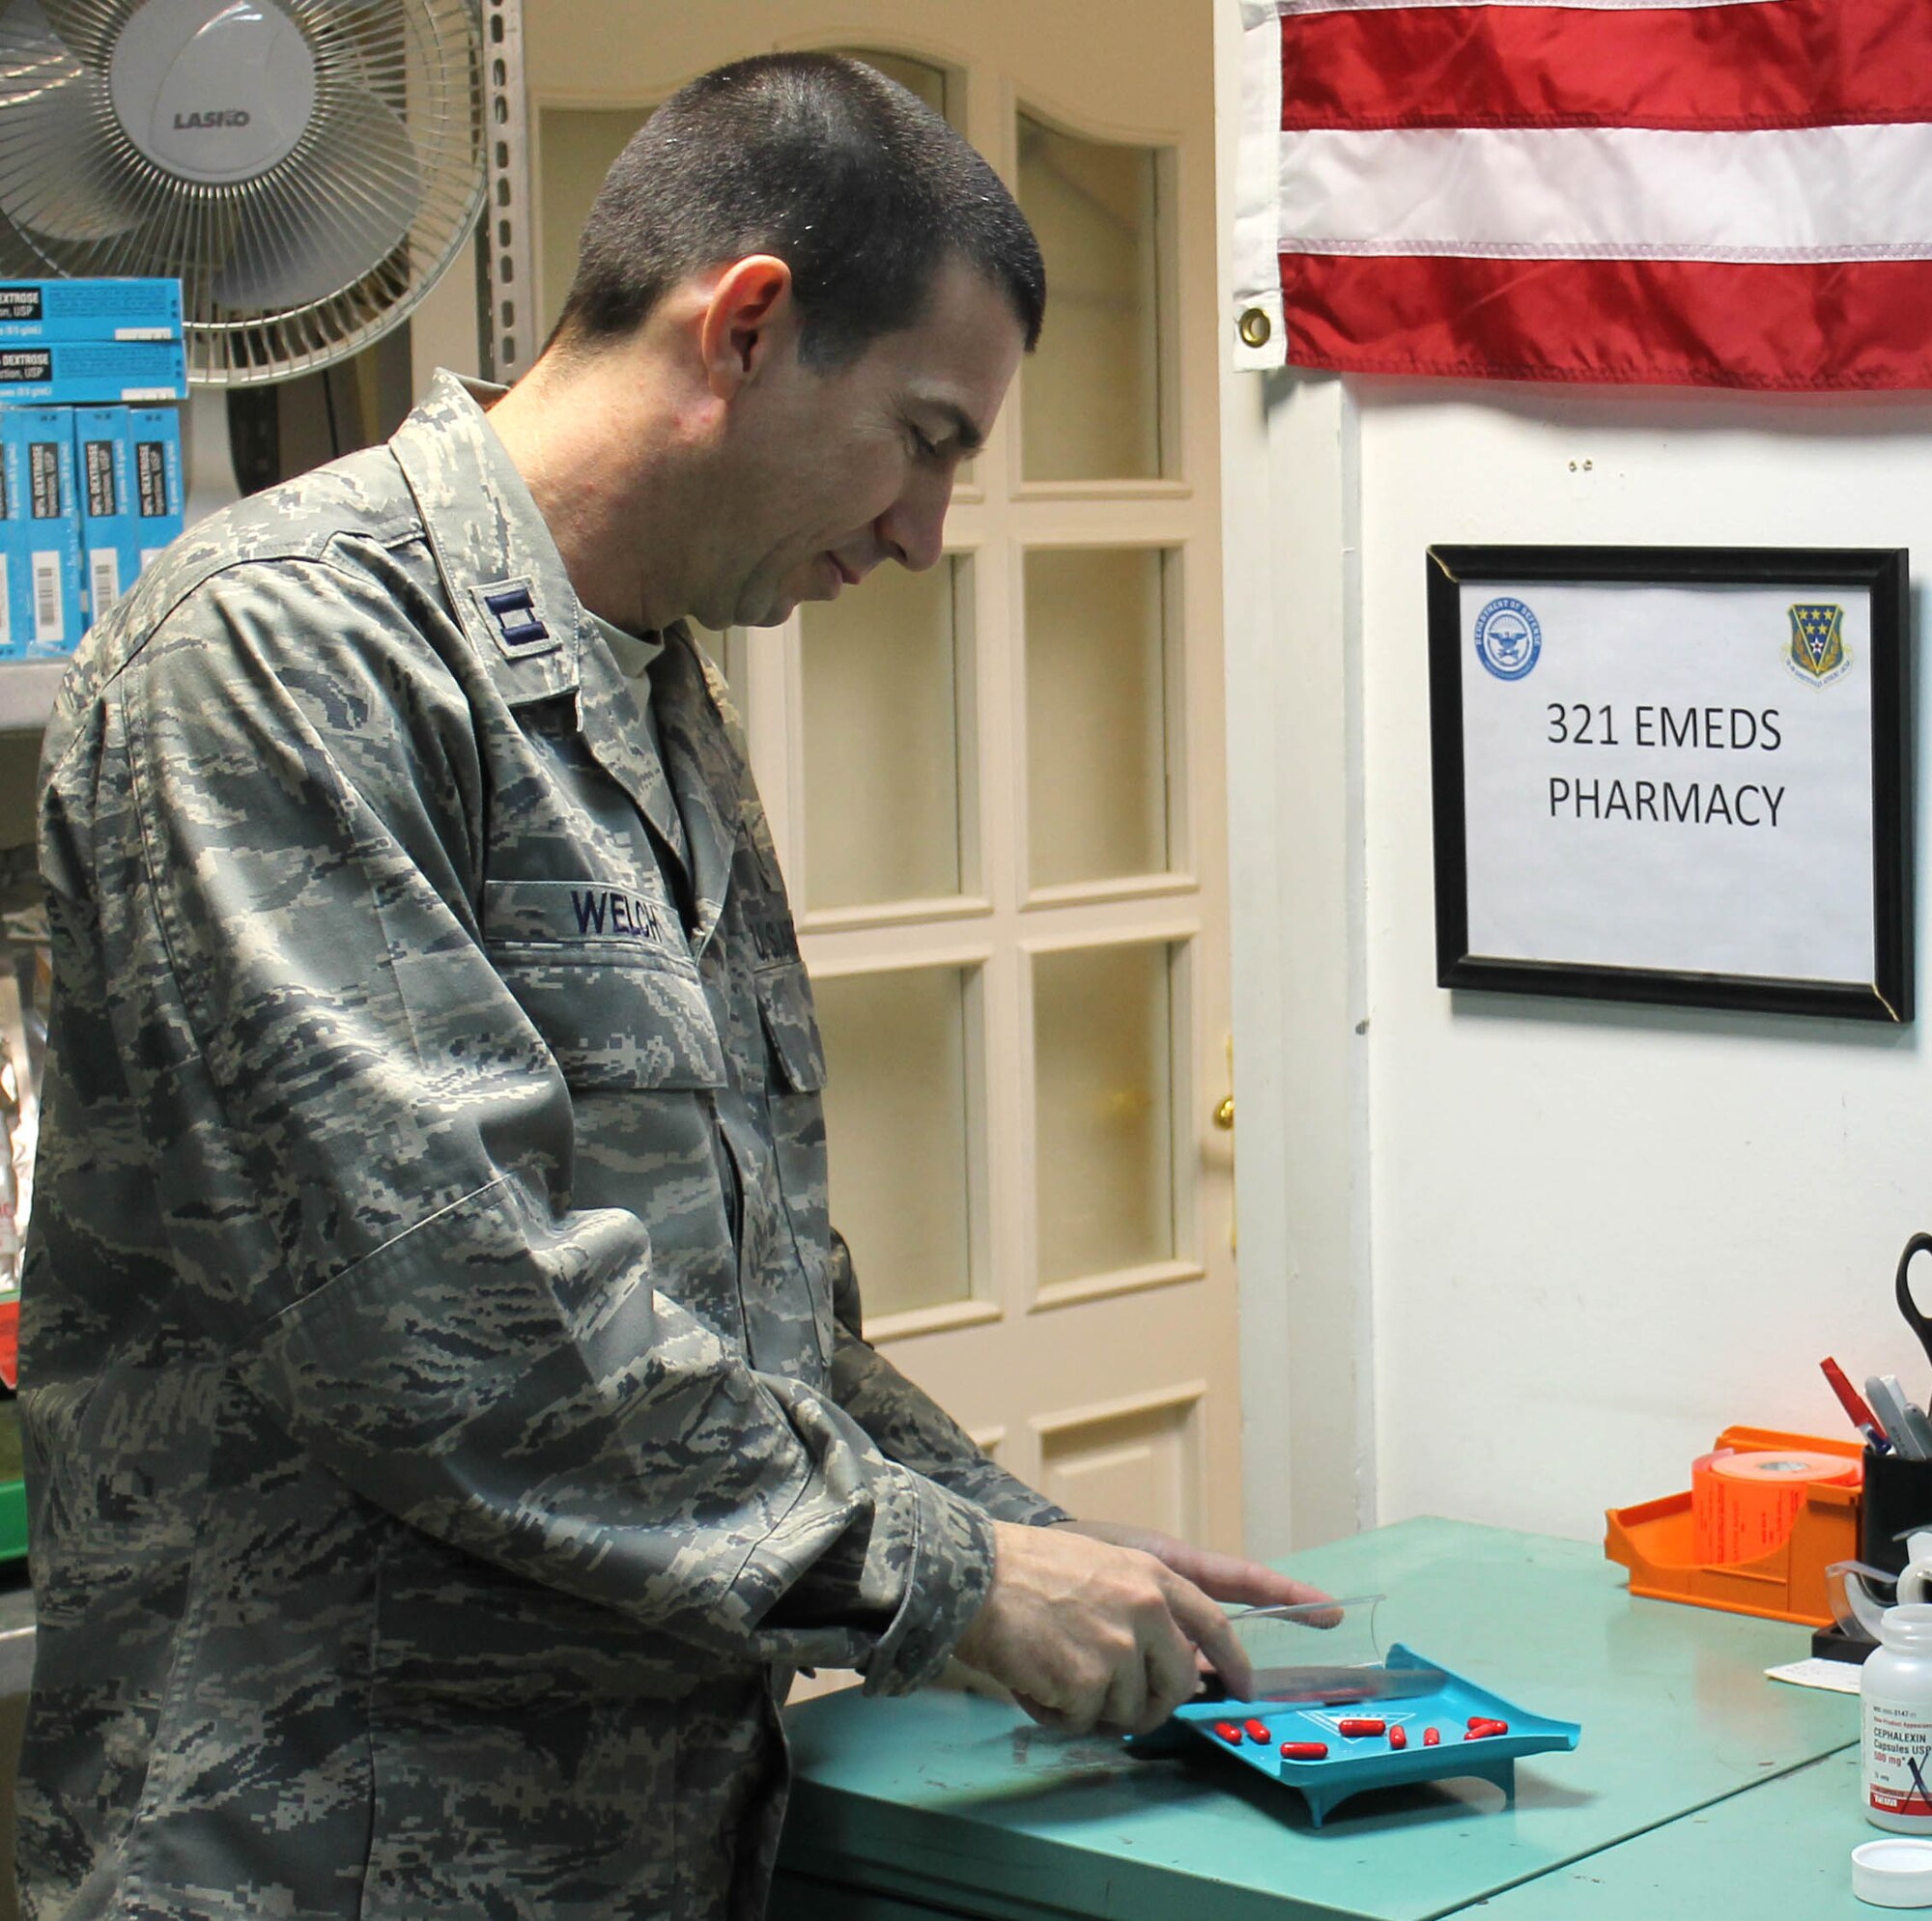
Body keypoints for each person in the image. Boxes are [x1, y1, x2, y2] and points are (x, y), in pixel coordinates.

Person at [16, 52, 1327, 1921]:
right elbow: (455, 1319)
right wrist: (951, 1580)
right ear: (750, 324)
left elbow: (751, 1319)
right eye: (930, 436)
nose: (923, 531)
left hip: (644, 1851)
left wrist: (1050, 1548)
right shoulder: (287, 656)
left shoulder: (646, 695)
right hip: (325, 1855)